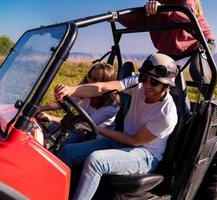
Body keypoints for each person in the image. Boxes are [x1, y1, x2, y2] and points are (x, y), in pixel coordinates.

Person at [55, 53, 178, 200]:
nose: (146, 85)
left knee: (96, 161)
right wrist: (71, 90)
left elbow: (134, 141)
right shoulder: (137, 84)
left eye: (154, 82)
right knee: (68, 151)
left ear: (166, 85)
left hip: (146, 154)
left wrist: (95, 127)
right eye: (144, 78)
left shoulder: (166, 115)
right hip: (122, 141)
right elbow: (102, 88)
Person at [120, 0, 216, 95]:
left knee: (197, 70)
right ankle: (157, 103)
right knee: (151, 70)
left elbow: (187, 14)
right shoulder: (153, 6)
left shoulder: (186, 2)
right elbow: (136, 19)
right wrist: (117, 17)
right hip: (172, 49)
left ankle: (212, 104)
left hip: (199, 42)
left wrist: (166, 10)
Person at [37, 62, 119, 146]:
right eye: (89, 76)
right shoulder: (86, 92)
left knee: (63, 142)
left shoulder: (110, 107)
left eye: (95, 80)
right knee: (51, 128)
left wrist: (51, 117)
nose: (89, 81)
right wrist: (38, 108)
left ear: (104, 84)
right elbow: (62, 105)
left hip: (94, 136)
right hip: (79, 129)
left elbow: (85, 126)